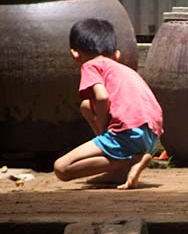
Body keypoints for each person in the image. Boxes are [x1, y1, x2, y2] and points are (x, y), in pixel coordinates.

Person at [54, 18, 163, 189]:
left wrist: (103, 127)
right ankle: (119, 170)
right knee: (86, 106)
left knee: (62, 168)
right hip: (151, 136)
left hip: (127, 133)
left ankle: (128, 161)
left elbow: (102, 97)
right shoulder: (124, 70)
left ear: (75, 54)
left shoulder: (91, 65)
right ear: (116, 54)